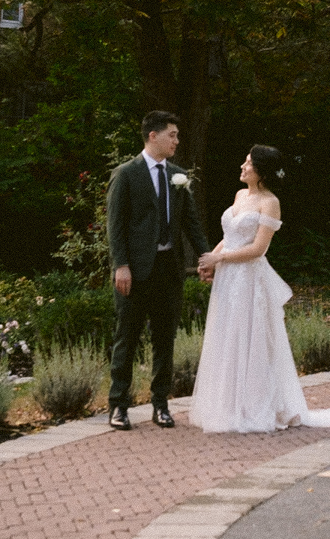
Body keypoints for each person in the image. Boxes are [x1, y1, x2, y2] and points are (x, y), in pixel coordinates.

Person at [190, 144, 330, 433]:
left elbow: (258, 249)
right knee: (227, 335)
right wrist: (211, 261)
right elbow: (230, 236)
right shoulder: (240, 195)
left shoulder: (270, 202)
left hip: (248, 279)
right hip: (228, 278)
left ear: (262, 171)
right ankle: (228, 405)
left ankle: (256, 406)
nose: (242, 167)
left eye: (248, 163)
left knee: (250, 338)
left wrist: (220, 258)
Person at [105, 111, 210, 430]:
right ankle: (118, 406)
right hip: (134, 271)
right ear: (153, 136)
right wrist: (120, 265)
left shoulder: (178, 175)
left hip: (169, 269)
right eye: (173, 135)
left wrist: (206, 255)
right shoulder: (126, 174)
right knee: (128, 336)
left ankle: (160, 405)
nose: (177, 141)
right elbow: (115, 224)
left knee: (165, 338)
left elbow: (190, 220)